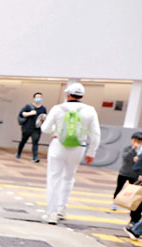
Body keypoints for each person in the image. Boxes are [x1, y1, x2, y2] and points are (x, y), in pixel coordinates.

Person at [40, 82, 101, 224]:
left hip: (58, 146)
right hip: (79, 148)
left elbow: (45, 129)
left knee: (54, 178)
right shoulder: (90, 110)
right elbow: (96, 134)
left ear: (67, 94)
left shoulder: (58, 109)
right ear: (82, 96)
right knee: (68, 178)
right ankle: (62, 209)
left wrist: (56, 127)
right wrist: (91, 152)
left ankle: (52, 213)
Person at [117, 131, 142, 235]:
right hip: (127, 174)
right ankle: (135, 226)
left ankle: (136, 228)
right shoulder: (130, 148)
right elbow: (126, 158)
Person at [16, 92, 47, 162]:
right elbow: (22, 114)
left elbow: (45, 117)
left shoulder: (43, 108)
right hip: (27, 127)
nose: (39, 98)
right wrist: (30, 113)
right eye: (37, 97)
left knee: (35, 142)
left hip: (37, 128)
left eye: (40, 97)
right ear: (34, 98)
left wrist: (43, 118)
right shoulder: (28, 106)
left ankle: (35, 157)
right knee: (23, 141)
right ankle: (19, 153)